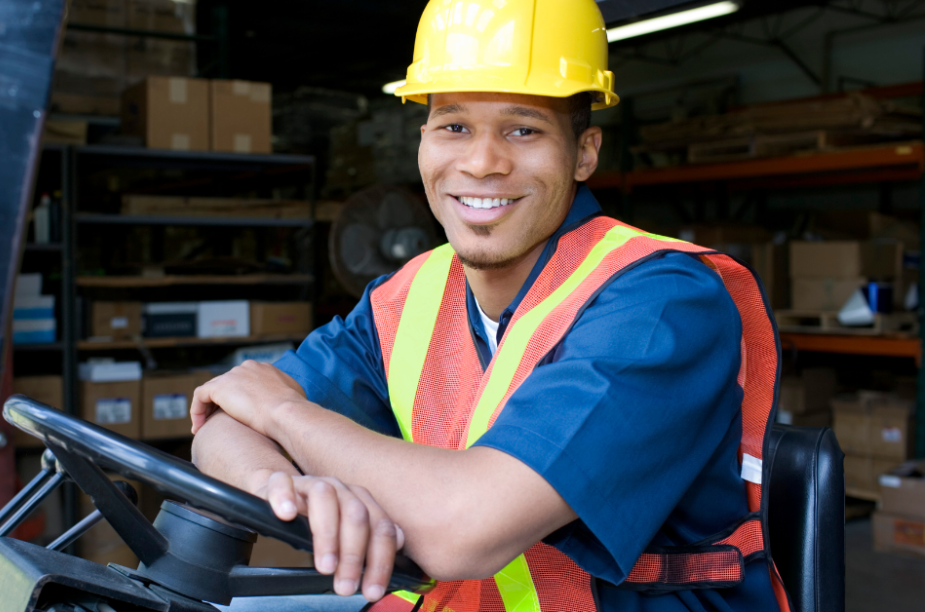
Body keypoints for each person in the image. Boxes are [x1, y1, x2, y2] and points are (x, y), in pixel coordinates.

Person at [190, 1, 788, 611]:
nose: (481, 163)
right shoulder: (408, 297)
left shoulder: (660, 302)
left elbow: (462, 530)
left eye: (522, 129)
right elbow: (221, 420)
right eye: (454, 126)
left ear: (584, 152)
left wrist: (284, 417)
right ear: (422, 141)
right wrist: (284, 487)